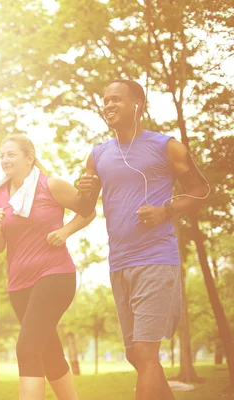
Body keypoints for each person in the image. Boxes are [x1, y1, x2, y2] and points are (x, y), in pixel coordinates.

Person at [75, 79, 210, 400]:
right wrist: (84, 192)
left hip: (156, 258)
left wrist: (167, 210)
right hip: (119, 262)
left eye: (117, 99)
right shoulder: (97, 155)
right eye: (106, 100)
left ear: (138, 104)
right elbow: (84, 208)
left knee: (147, 355)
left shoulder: (166, 146)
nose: (109, 105)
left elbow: (202, 190)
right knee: (135, 355)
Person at [0, 134, 95, 400]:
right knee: (49, 353)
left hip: (55, 275)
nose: (4, 160)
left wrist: (66, 231)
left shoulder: (51, 185)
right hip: (19, 284)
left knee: (27, 349)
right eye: (2, 155)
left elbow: (88, 210)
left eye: (11, 154)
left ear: (29, 157)